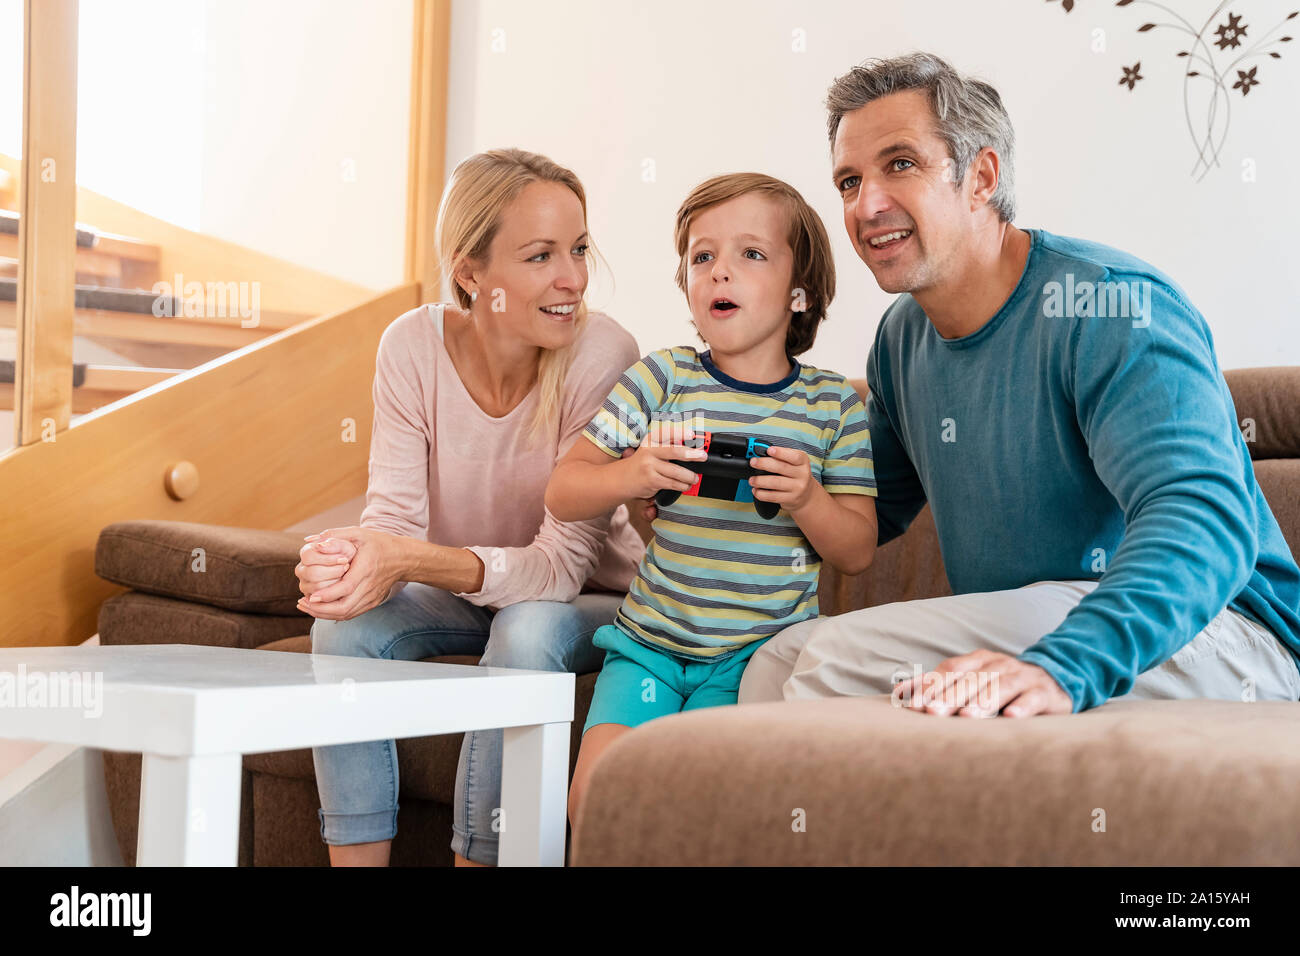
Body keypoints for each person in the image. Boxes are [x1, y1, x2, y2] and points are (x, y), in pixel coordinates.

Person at [737, 52, 1300, 716]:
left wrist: (1063, 666)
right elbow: (863, 509)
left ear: (981, 177)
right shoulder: (903, 338)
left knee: (839, 660)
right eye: (849, 181)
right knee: (777, 662)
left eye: (901, 164)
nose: (867, 205)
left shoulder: (1109, 306)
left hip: (1223, 637)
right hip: (1035, 617)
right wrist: (714, 498)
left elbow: (1207, 519)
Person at [294, 148, 647, 866]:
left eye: (578, 249)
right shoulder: (409, 347)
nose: (572, 277)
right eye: (541, 255)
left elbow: (556, 571)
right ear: (470, 272)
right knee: (342, 630)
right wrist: (351, 563)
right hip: (471, 593)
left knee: (522, 631)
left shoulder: (602, 354)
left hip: (590, 598)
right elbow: (390, 523)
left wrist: (408, 560)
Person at [546, 172, 879, 823]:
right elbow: (564, 491)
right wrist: (635, 473)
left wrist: (807, 497)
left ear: (800, 292)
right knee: (593, 802)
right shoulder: (660, 378)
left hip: (754, 656)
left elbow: (858, 550)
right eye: (703, 256)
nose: (720, 271)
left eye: (750, 253)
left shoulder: (833, 405)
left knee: (688, 809)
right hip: (648, 646)